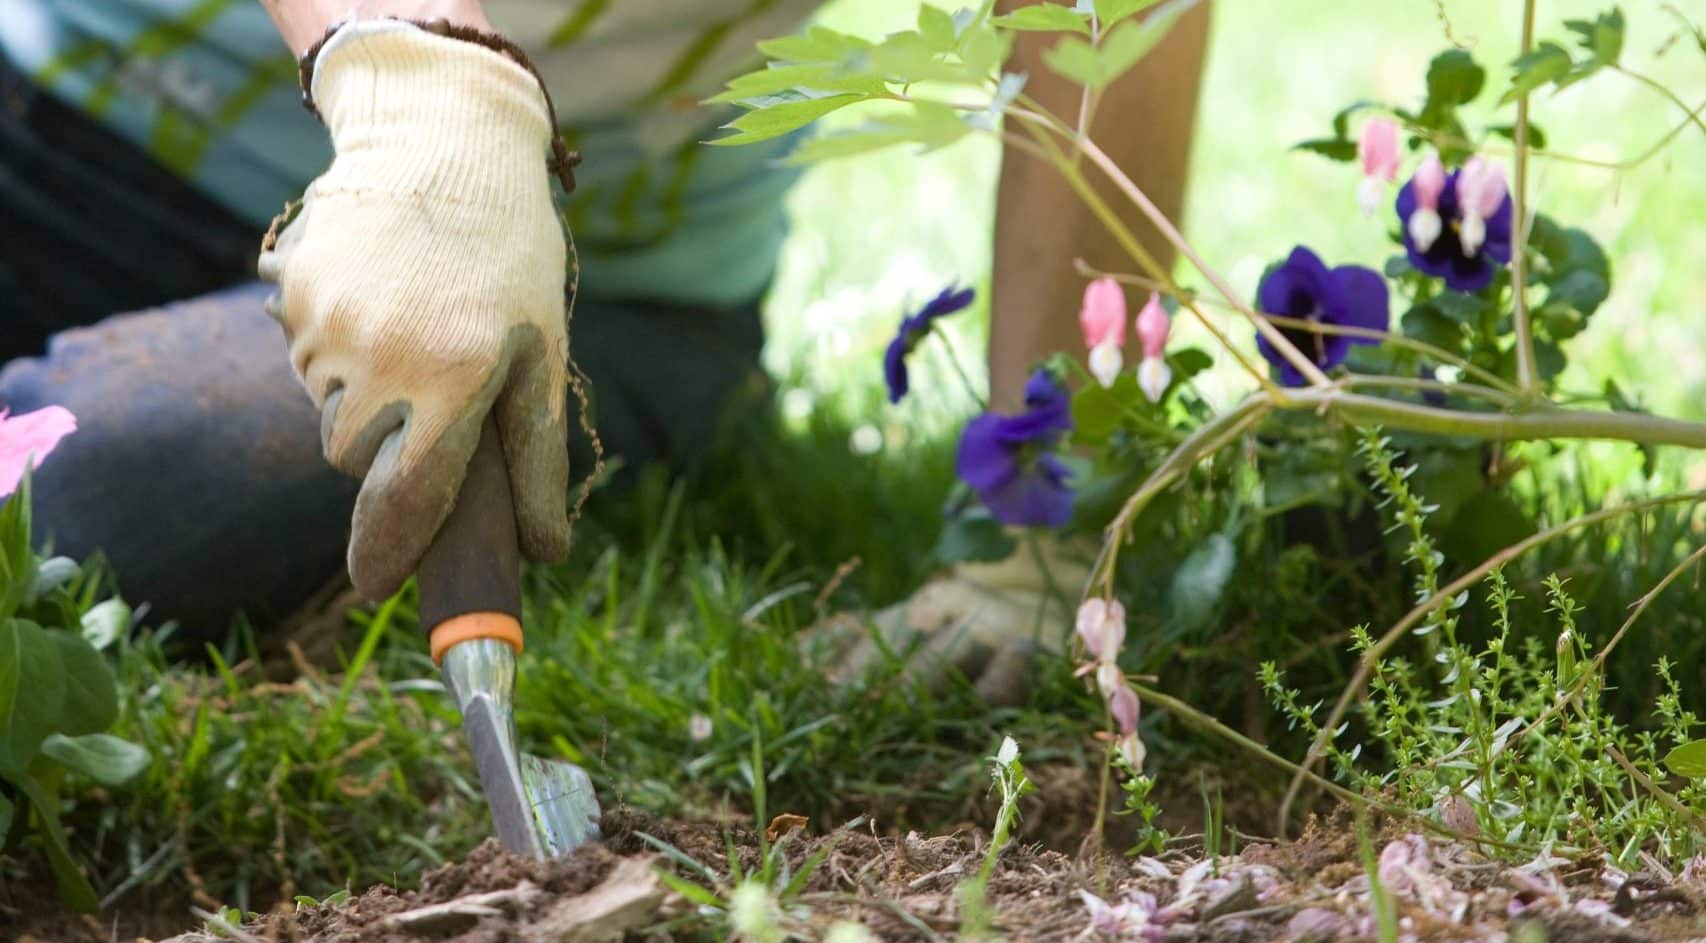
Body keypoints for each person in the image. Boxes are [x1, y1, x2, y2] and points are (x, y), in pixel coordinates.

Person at [0, 0, 1209, 682]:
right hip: (79, 122)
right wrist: (422, 88)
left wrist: (1042, 524)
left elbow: (1108, 28)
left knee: (77, 506)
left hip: (589, 274)